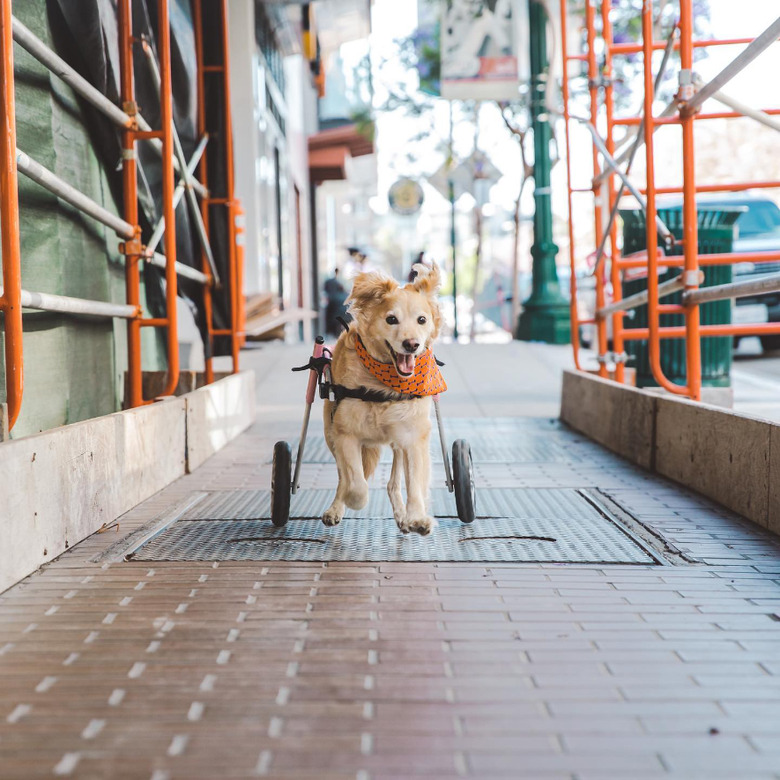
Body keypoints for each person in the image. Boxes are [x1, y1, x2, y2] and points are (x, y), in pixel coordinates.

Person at [323, 268, 349, 336]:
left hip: (336, 315)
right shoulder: (343, 293)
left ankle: (330, 333)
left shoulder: (330, 282)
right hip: (343, 315)